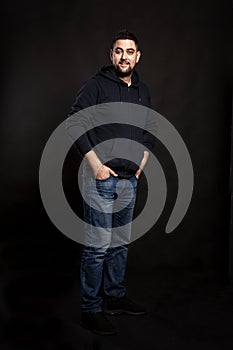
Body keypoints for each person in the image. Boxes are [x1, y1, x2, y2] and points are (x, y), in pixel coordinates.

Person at [66, 30, 156, 335]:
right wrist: (95, 165)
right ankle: (90, 309)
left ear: (137, 56)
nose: (124, 57)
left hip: (129, 181)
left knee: (120, 245)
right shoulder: (97, 85)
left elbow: (148, 130)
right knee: (98, 247)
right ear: (111, 55)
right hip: (100, 179)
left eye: (130, 51)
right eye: (119, 51)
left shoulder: (141, 90)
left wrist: (141, 164)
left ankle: (114, 298)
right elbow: (75, 121)